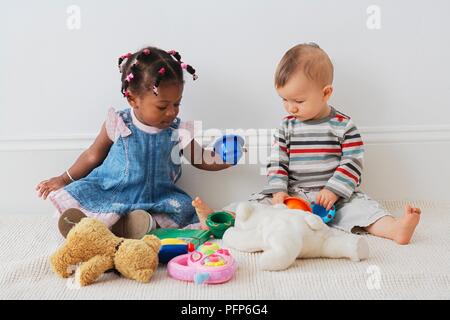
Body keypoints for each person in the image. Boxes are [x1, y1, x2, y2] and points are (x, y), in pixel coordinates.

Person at [193, 43, 421, 245]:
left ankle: (395, 229)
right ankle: (217, 219)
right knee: (253, 207)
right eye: (284, 99)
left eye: (299, 101)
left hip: (334, 199)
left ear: (326, 93)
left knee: (361, 210)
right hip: (293, 195)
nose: (290, 108)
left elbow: (353, 161)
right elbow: (277, 161)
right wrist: (279, 190)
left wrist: (333, 190)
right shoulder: (287, 127)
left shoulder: (343, 126)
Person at [36, 46, 232, 239]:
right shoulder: (119, 122)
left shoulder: (178, 130)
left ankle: (134, 226)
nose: (172, 112)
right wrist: (63, 179)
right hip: (113, 193)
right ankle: (86, 226)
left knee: (177, 211)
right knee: (88, 201)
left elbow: (201, 158)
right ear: (132, 99)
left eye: (177, 103)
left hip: (158, 198)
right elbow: (92, 155)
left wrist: (226, 157)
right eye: (163, 106)